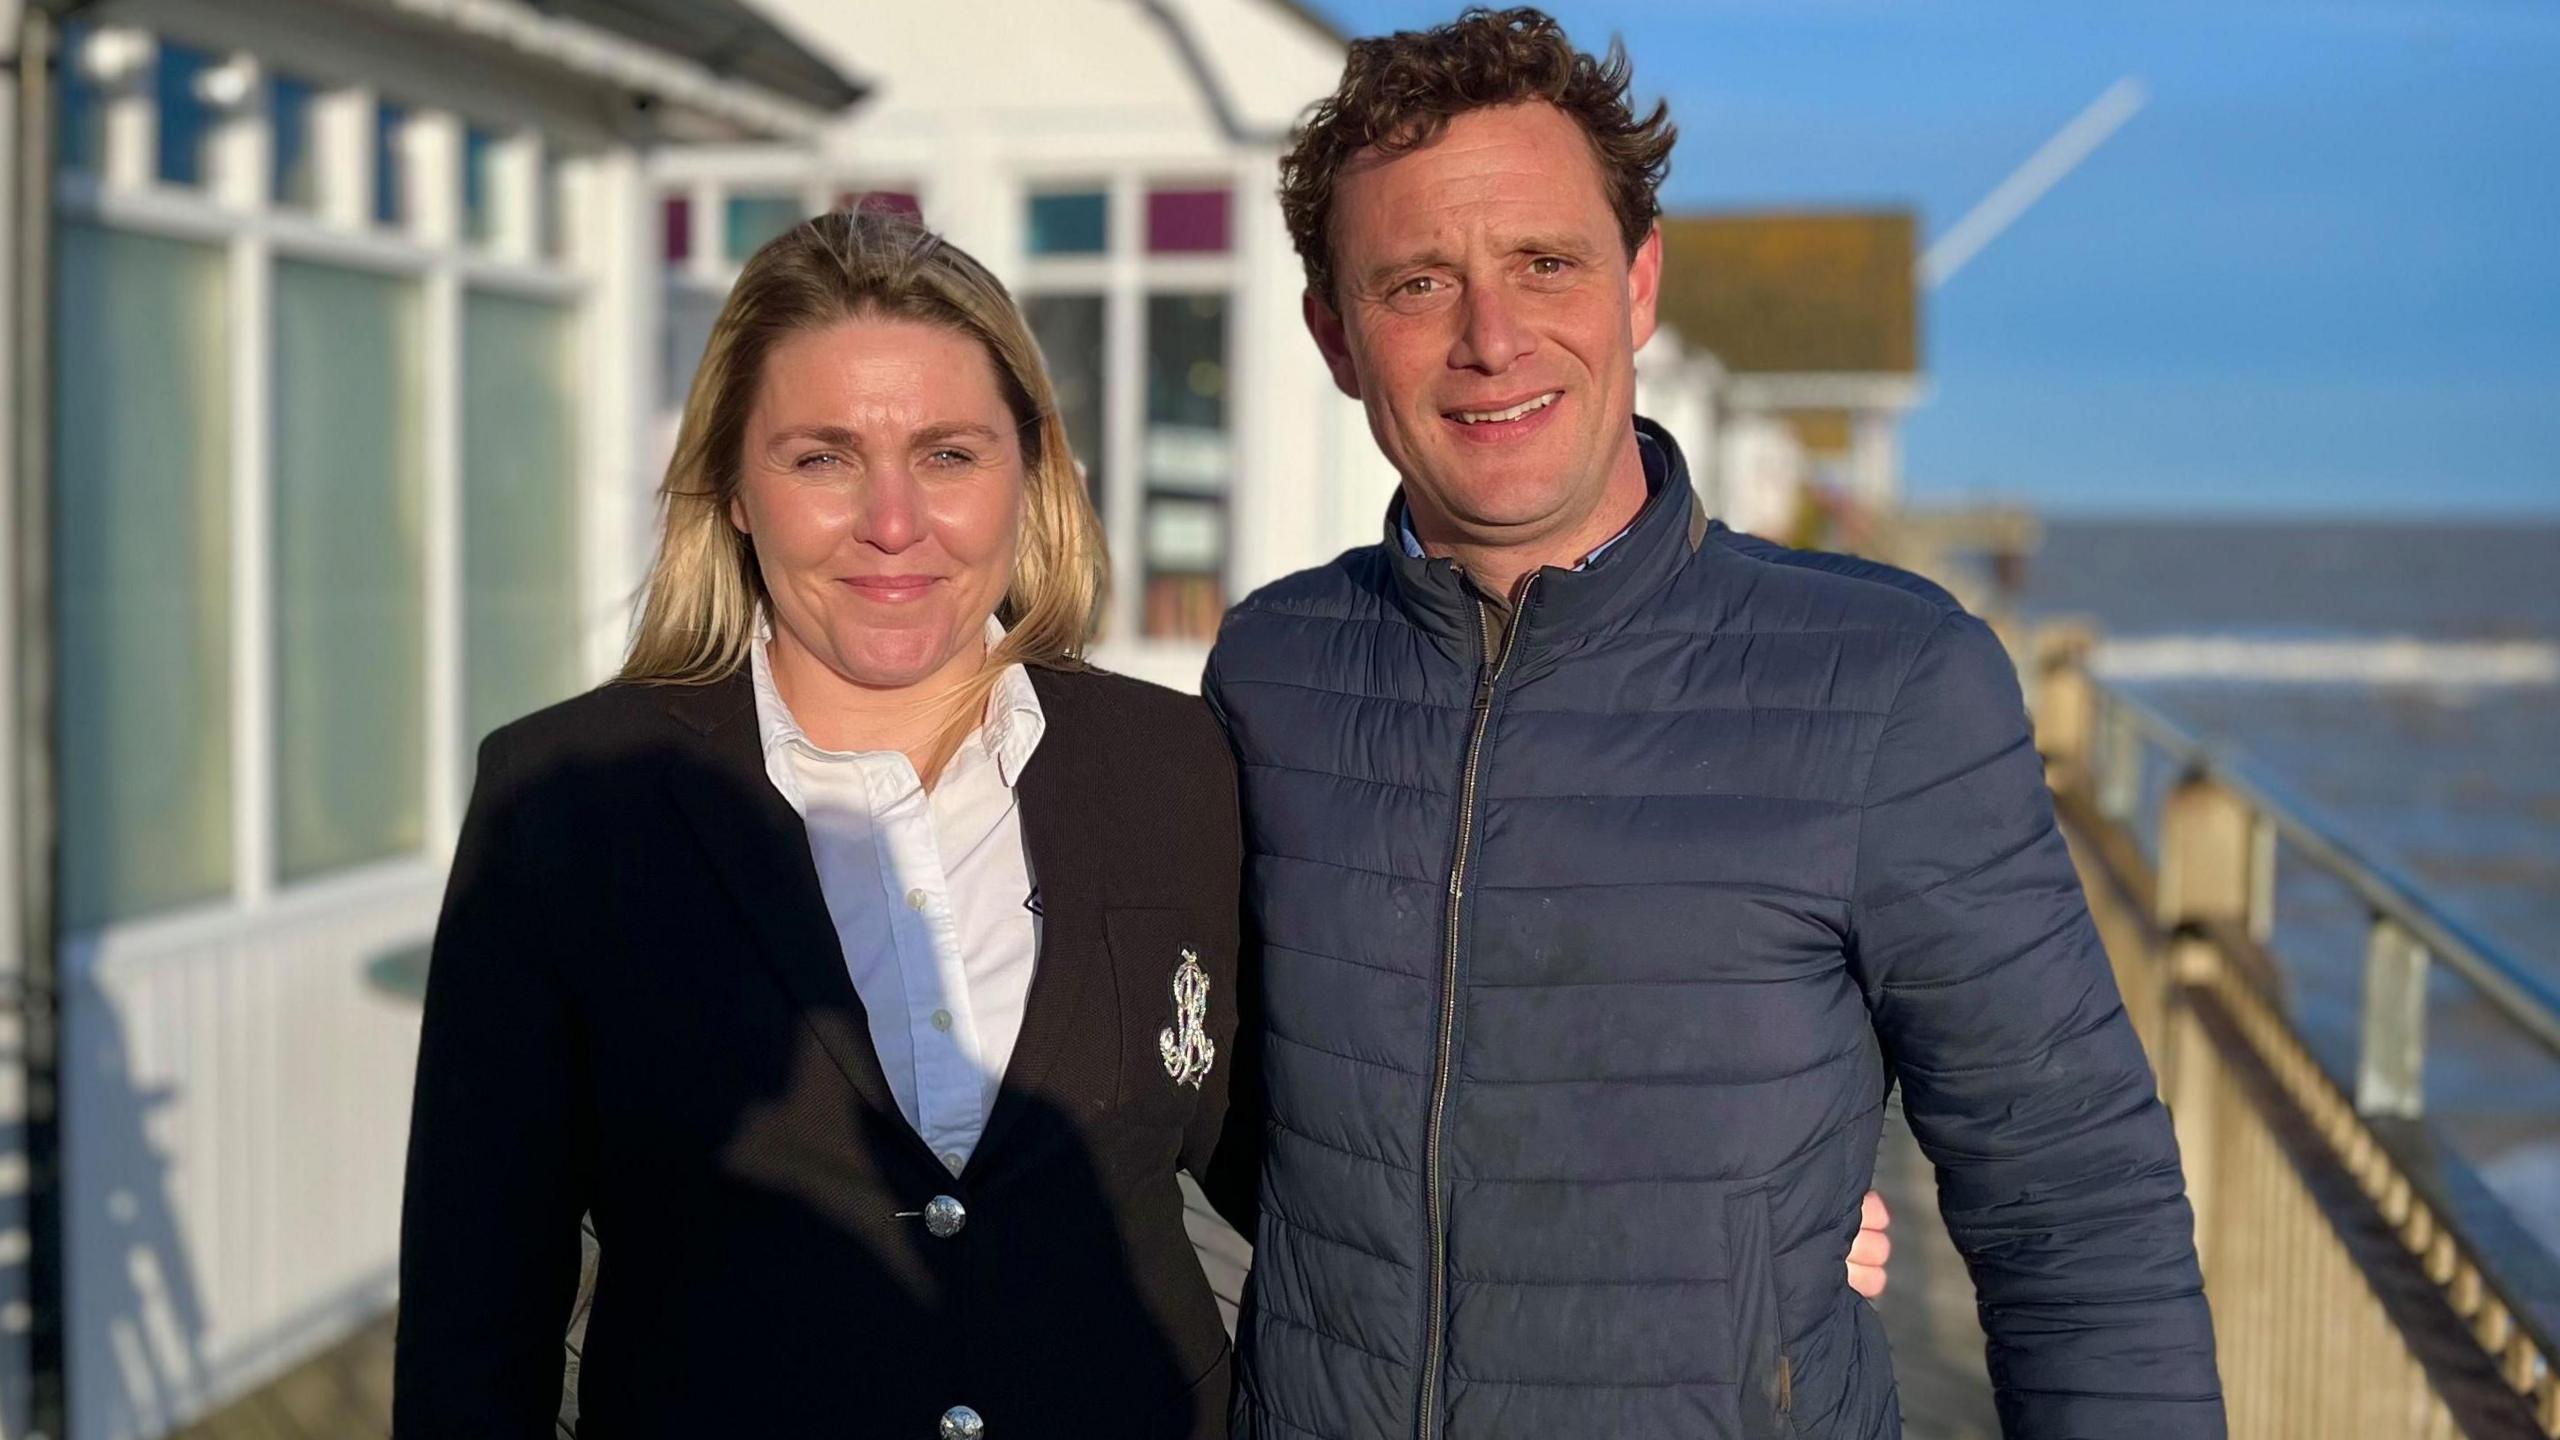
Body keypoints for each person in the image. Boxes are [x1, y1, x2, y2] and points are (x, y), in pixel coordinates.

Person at [1204, 9, 2225, 1439]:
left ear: (1639, 283)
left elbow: (2075, 1199)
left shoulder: (1887, 680)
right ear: (1335, 337)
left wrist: (1748, 1251)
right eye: (1418, 282)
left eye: (1545, 263)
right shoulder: (1271, 672)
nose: (1493, 339)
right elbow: (1245, 1122)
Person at [395, 211, 1251, 1438]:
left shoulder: (1175, 767)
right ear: (735, 490)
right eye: (823, 458)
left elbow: (1303, 1192)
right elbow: (475, 1316)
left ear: (1031, 472)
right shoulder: (568, 800)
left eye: (950, 454)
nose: (891, 522)